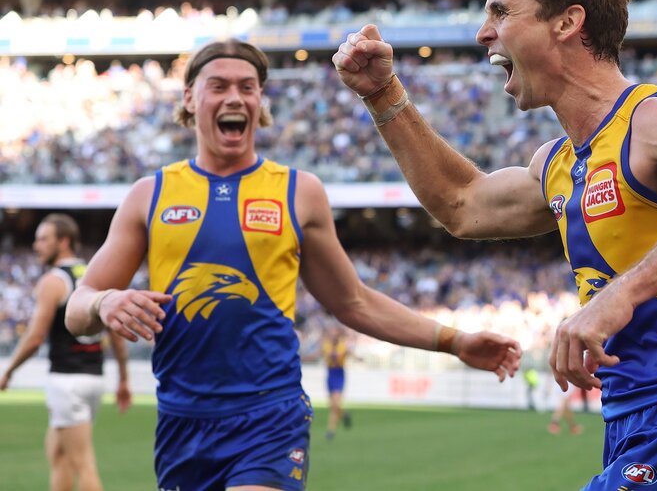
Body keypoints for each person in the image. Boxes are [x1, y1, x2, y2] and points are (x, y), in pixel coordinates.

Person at [333, 0, 657, 490]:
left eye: (501, 11)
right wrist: (383, 95)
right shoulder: (557, 162)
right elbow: (462, 205)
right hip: (633, 419)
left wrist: (622, 293)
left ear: (568, 22)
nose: (483, 33)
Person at [64, 39, 522, 491]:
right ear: (189, 97)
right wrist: (103, 301)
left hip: (271, 415)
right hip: (182, 421)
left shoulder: (299, 192)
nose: (235, 97)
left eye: (248, 86)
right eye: (218, 85)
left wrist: (454, 340)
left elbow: (354, 301)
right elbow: (76, 310)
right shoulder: (150, 195)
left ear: (260, 100)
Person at [1, 213, 131, 491]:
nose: (36, 246)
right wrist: (123, 379)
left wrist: (8, 371)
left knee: (83, 463)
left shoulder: (54, 281)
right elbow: (117, 339)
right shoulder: (95, 277)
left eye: (43, 239)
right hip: (94, 378)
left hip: (66, 380)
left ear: (64, 241)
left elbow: (35, 338)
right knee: (59, 456)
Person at [320, 323, 352, 441]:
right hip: (330, 374)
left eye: (335, 332)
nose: (333, 334)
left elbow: (339, 357)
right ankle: (344, 415)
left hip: (339, 374)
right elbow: (322, 354)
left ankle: (331, 431)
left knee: (335, 404)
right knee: (332, 405)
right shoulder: (327, 345)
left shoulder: (342, 345)